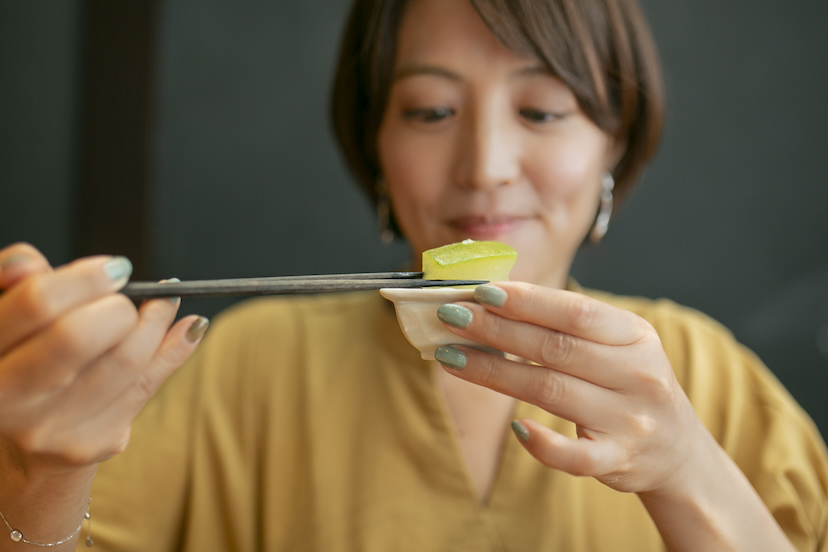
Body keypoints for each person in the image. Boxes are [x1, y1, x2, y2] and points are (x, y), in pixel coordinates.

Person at [0, 0, 826, 550]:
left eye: (541, 110)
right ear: (376, 149)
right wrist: (44, 476)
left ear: (614, 145)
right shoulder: (240, 367)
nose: (486, 166)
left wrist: (686, 470)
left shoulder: (709, 378)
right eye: (431, 111)